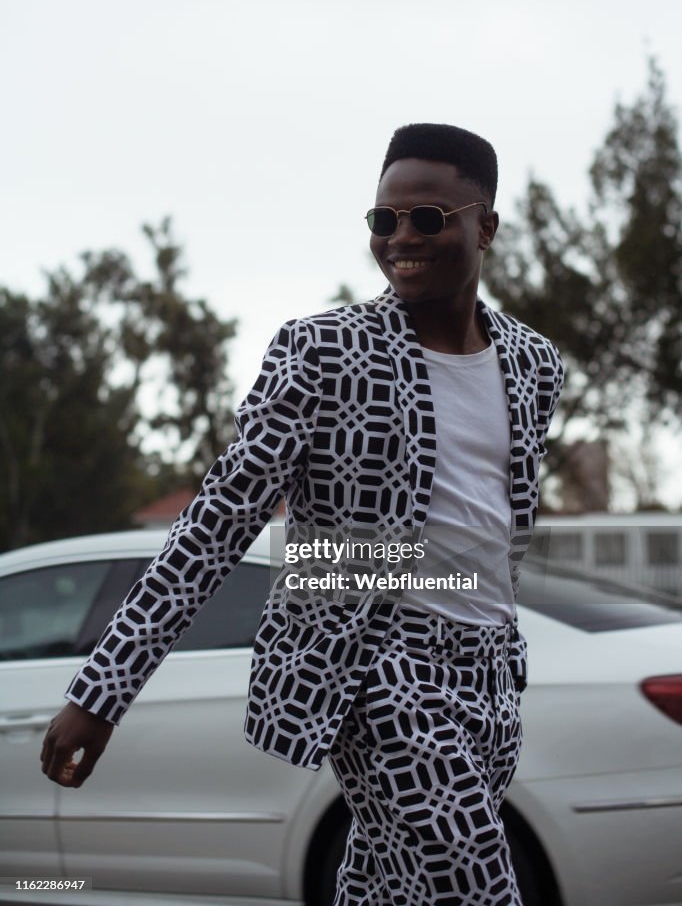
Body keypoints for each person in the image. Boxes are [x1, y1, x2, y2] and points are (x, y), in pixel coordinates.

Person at [41, 123, 564, 906]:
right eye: (383, 221)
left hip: (491, 672)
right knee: (481, 888)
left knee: (382, 887)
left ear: (484, 226)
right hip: (381, 670)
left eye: (427, 218)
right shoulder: (324, 351)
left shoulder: (533, 364)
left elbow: (493, 529)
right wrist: (101, 692)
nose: (400, 239)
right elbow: (219, 522)